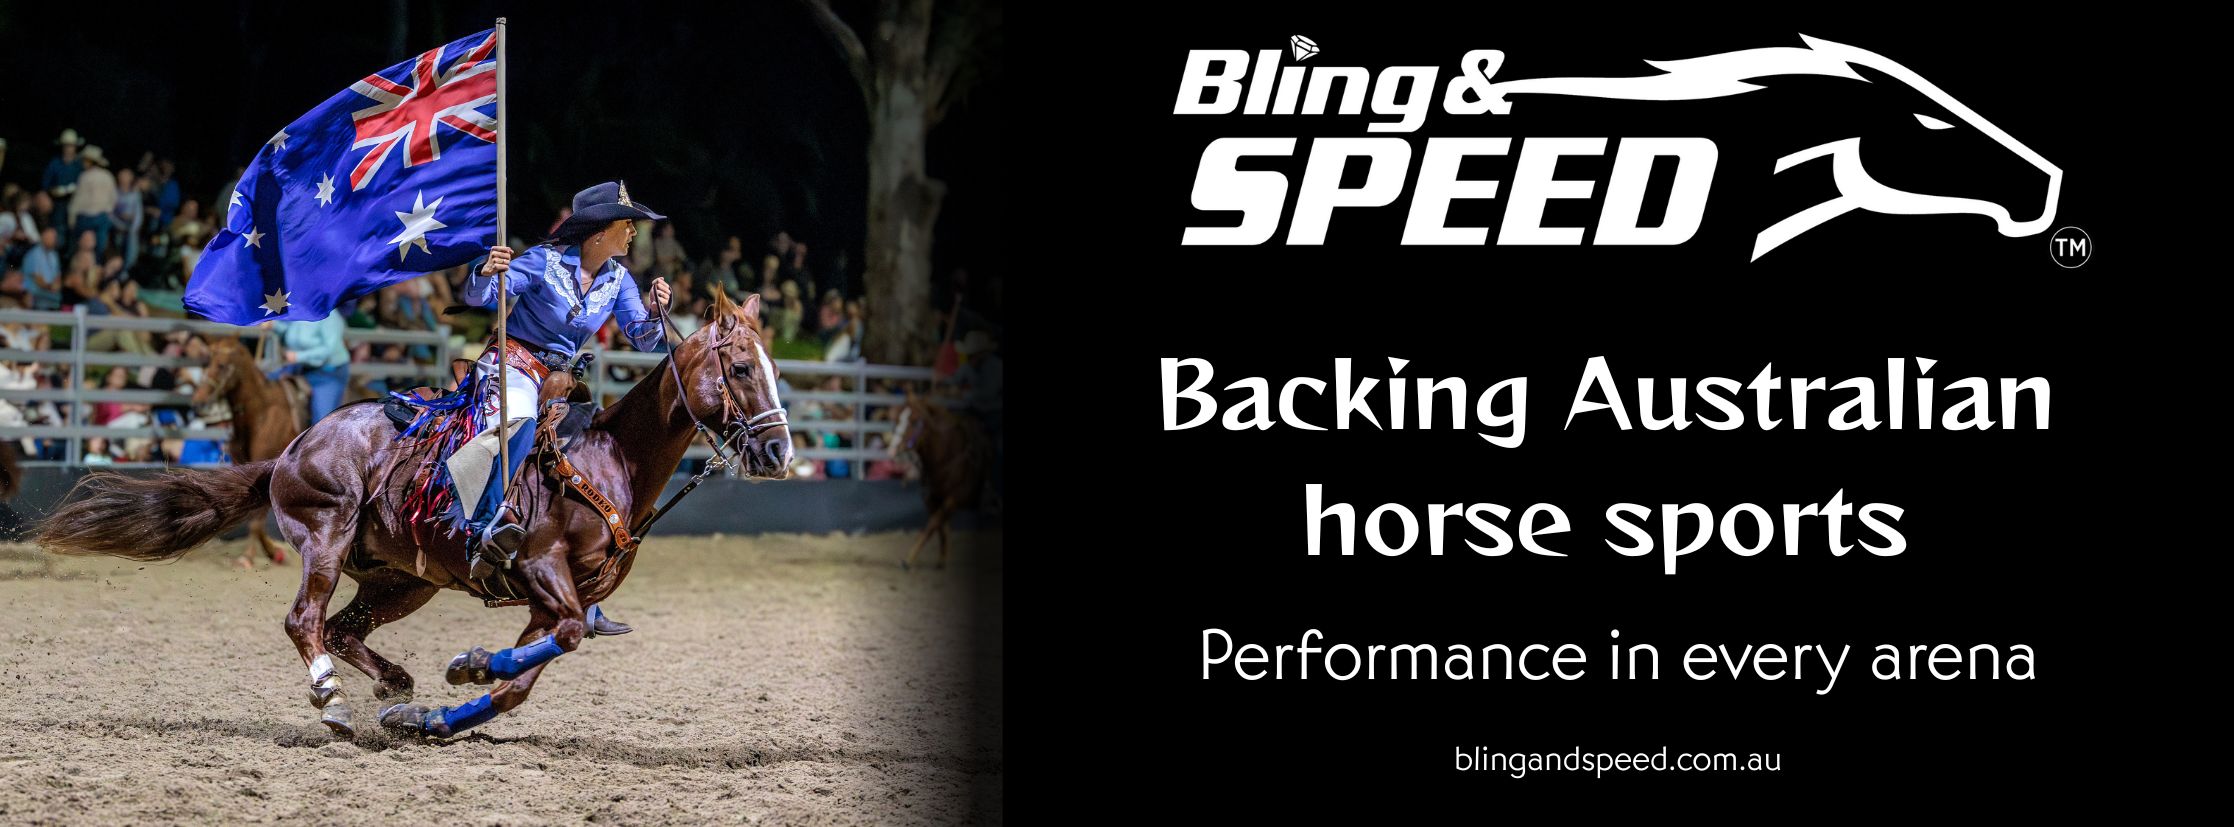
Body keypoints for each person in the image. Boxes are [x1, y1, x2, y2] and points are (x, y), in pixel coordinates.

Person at [461, 181, 671, 636]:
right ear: (598, 233)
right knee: (517, 423)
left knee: (592, 457)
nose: (633, 233)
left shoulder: (618, 278)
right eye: (626, 225)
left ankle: (584, 588)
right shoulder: (543, 261)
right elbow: (484, 298)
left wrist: (656, 313)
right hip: (514, 366)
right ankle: (485, 526)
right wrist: (486, 271)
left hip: (560, 383)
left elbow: (641, 335)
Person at [270, 308, 351, 422]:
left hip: (327, 374)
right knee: (265, 381)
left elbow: (330, 349)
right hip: (301, 368)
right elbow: (289, 329)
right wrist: (274, 325)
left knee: (321, 422)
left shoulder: (330, 315)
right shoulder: (301, 309)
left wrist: (298, 356)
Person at [70, 146, 118, 257]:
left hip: (85, 217)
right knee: (99, 249)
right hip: (102, 217)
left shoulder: (85, 176)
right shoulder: (108, 176)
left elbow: (78, 199)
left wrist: (72, 218)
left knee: (80, 247)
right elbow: (113, 199)